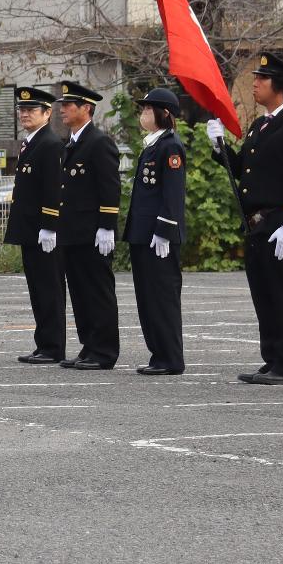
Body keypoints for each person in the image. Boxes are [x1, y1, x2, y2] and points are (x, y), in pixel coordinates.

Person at [207, 53, 283, 386]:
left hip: (279, 222)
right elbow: (243, 170)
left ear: (280, 86)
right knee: (265, 295)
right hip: (257, 224)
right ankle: (273, 359)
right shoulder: (261, 124)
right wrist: (219, 145)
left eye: (261, 79)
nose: (254, 84)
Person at [47, 81, 120, 370]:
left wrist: (107, 225)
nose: (62, 110)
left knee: (97, 292)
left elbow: (109, 187)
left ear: (86, 108)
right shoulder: (73, 142)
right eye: (62, 105)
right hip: (73, 232)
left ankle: (104, 350)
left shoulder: (99, 142)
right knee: (79, 292)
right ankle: (89, 347)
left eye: (68, 105)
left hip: (92, 232)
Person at [124, 88, 187, 375]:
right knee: (147, 298)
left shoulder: (170, 146)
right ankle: (158, 354)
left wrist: (165, 229)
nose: (144, 114)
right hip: (143, 234)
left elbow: (172, 193)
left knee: (162, 298)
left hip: (159, 236)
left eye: (150, 110)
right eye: (143, 109)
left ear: (165, 114)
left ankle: (170, 357)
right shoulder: (152, 145)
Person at [3, 86, 67, 365]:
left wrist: (50, 225)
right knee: (37, 289)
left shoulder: (51, 144)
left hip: (44, 231)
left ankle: (53, 346)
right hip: (30, 229)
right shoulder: (31, 142)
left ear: (47, 113)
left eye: (31, 110)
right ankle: (44, 343)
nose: (25, 114)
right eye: (22, 110)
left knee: (49, 289)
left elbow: (54, 188)